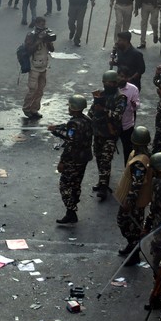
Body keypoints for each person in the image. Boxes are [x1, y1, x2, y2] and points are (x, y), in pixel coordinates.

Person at [50, 94, 94, 224]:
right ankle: (72, 207)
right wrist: (58, 127)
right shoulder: (86, 120)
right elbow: (69, 129)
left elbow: (70, 141)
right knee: (76, 184)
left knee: (65, 185)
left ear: (73, 108)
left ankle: (71, 211)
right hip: (84, 157)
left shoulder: (73, 124)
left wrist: (62, 161)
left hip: (73, 159)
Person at [115, 126, 153, 266]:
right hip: (131, 199)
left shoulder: (140, 162)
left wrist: (129, 201)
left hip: (134, 201)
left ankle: (134, 251)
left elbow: (137, 184)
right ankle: (131, 246)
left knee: (130, 225)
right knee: (128, 224)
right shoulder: (137, 155)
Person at [89, 70, 128, 200]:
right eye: (107, 82)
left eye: (112, 82)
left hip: (111, 134)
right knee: (99, 158)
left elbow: (117, 116)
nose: (109, 84)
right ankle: (102, 180)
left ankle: (104, 187)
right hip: (98, 132)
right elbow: (92, 111)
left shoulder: (120, 97)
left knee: (106, 159)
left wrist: (104, 111)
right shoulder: (100, 95)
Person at [22, 17, 55, 119]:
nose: (43, 27)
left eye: (44, 24)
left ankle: (34, 109)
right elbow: (28, 51)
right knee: (33, 89)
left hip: (43, 66)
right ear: (36, 24)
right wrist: (39, 39)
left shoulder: (46, 34)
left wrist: (47, 40)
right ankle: (26, 109)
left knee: (40, 90)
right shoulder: (31, 35)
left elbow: (52, 49)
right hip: (34, 67)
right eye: (41, 24)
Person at [117, 66, 142, 163]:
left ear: (127, 78)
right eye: (120, 76)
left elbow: (137, 105)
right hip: (113, 125)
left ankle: (127, 171)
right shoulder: (112, 87)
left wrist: (134, 104)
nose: (121, 78)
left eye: (124, 76)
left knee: (128, 150)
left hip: (127, 125)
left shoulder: (133, 89)